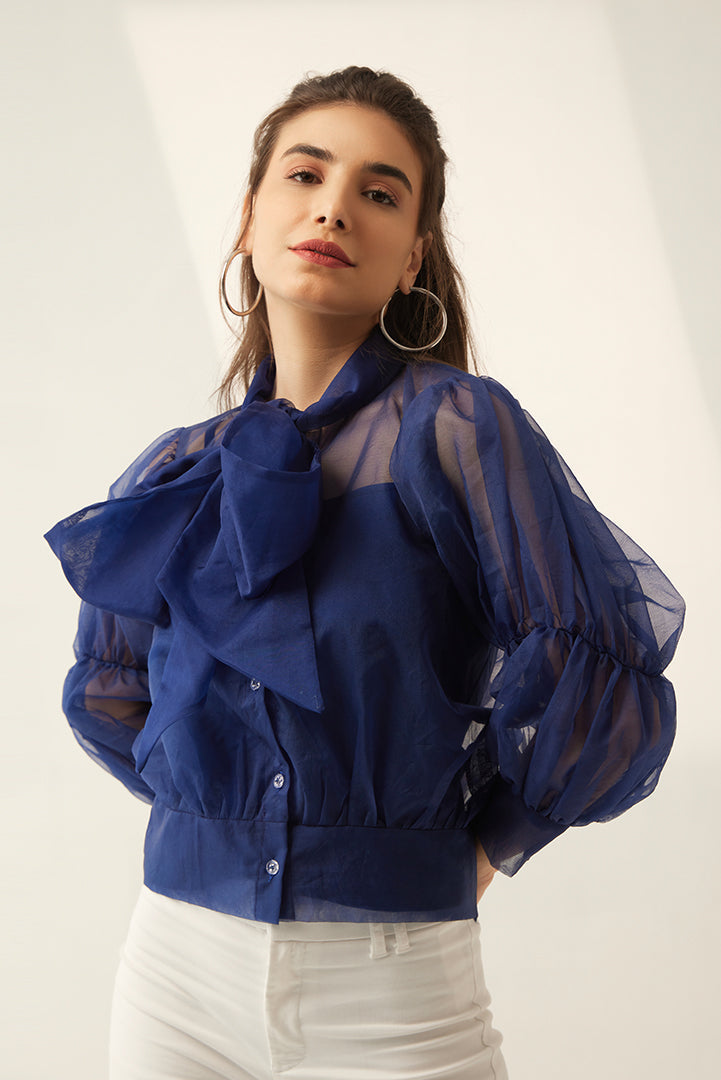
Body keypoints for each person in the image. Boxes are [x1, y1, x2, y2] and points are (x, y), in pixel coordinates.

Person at [44, 66, 684, 1080]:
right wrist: (219, 818)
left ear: (412, 255)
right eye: (304, 175)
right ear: (250, 216)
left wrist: (475, 848)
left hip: (393, 989)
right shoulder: (176, 470)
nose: (333, 206)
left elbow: (594, 672)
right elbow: (111, 692)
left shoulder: (458, 430)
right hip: (174, 974)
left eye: (378, 192)